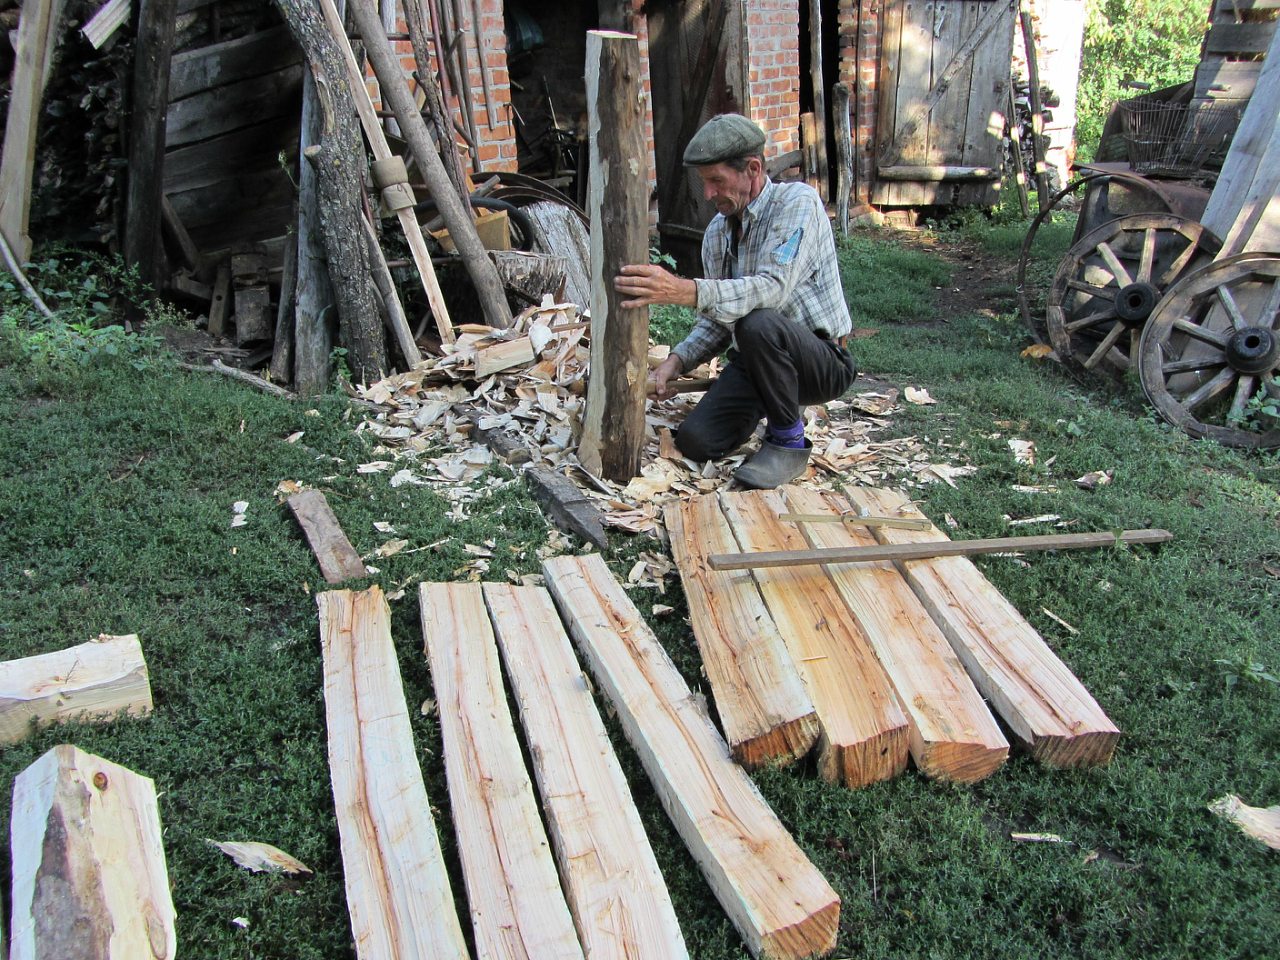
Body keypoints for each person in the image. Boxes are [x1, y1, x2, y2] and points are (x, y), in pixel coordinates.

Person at [613, 113, 856, 489]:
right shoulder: (715, 234)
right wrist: (675, 363)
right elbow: (716, 321)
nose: (708, 194)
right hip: (758, 362)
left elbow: (771, 290)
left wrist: (681, 290)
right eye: (704, 182)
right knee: (697, 441)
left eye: (716, 181)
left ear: (753, 169)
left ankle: (788, 440)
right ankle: (776, 400)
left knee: (757, 322)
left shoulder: (797, 205)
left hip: (820, 362)